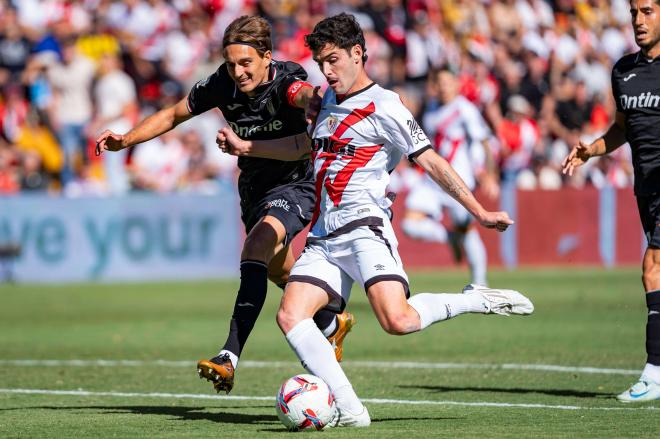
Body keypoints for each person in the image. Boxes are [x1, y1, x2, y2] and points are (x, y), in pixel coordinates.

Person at [219, 13, 534, 427]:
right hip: (323, 236)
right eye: (320, 63)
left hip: (365, 229)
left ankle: (475, 298)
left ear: (357, 53)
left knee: (398, 321)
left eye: (333, 60)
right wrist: (248, 147)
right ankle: (352, 410)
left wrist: (479, 211)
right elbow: (300, 150)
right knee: (290, 315)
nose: (326, 71)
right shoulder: (324, 101)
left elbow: (432, 161)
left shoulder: (385, 105)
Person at [95, 15, 354, 394]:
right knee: (278, 271)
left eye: (246, 62)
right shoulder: (222, 83)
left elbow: (301, 112)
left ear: (266, 56)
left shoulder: (287, 80)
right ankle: (331, 320)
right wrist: (126, 140)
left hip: (295, 184)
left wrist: (312, 101)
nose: (238, 71)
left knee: (255, 247)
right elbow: (173, 114)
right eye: (231, 63)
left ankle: (228, 356)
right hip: (253, 188)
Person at [562, 0, 660, 403]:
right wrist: (592, 150)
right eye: (634, 12)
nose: (638, 20)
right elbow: (622, 128)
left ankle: (654, 373)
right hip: (647, 191)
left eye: (648, 11)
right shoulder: (623, 71)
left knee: (653, 269)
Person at [402, 66, 499, 286]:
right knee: (410, 224)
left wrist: (491, 175)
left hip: (458, 180)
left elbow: (483, 140)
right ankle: (450, 238)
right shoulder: (432, 110)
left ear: (456, 84)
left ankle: (480, 283)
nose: (444, 87)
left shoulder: (465, 109)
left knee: (467, 229)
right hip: (433, 179)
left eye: (448, 82)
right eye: (440, 83)